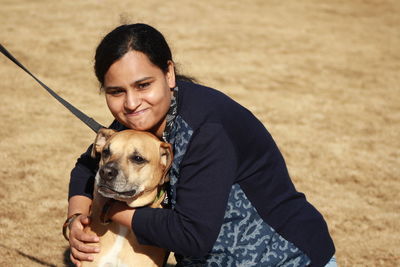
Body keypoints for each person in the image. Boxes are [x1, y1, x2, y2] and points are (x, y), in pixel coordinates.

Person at [66, 23, 336, 266]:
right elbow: (88, 168)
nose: (132, 103)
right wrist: (77, 220)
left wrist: (110, 209)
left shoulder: (207, 130)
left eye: (143, 85)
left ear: (169, 74)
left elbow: (193, 235)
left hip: (285, 258)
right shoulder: (138, 121)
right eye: (116, 91)